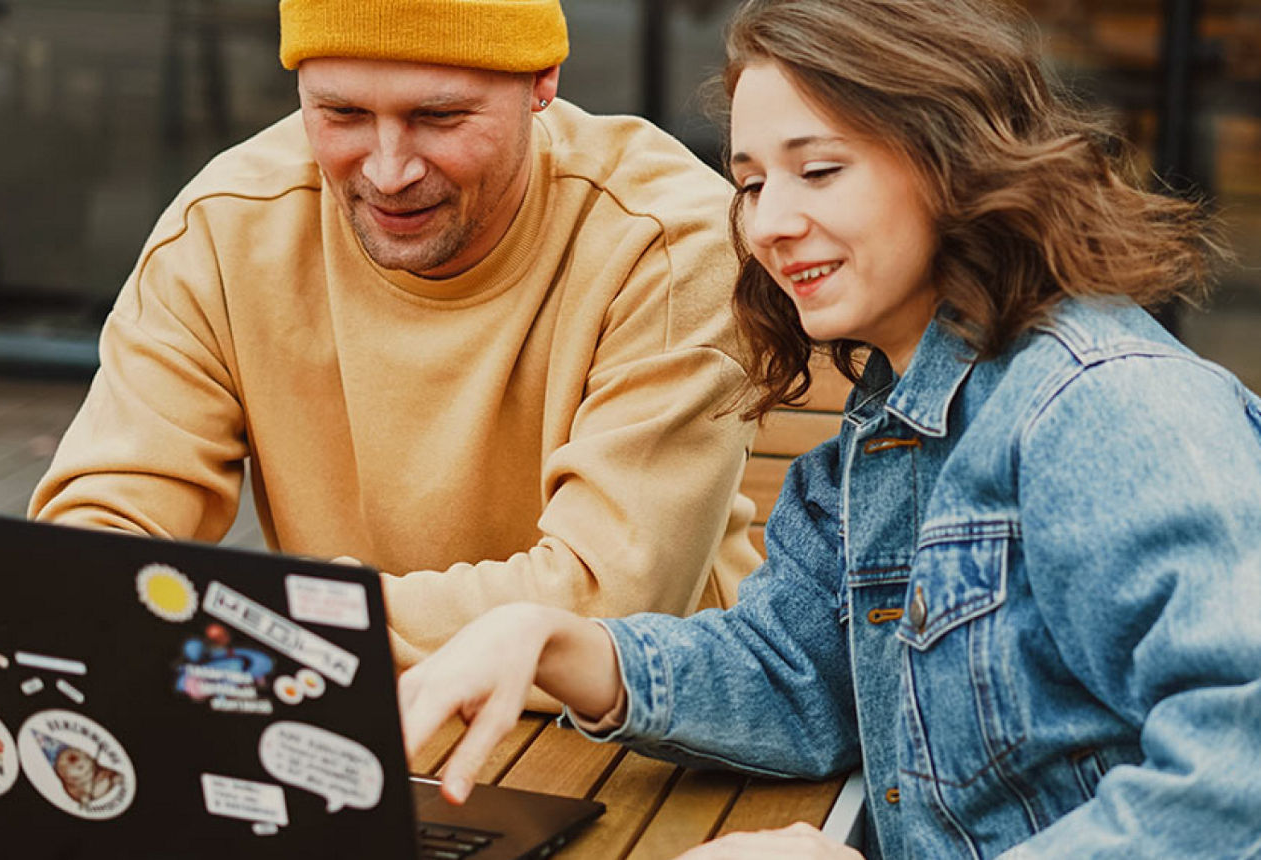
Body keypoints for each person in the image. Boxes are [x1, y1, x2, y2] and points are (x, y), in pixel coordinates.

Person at [398, 0, 1261, 856]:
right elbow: (794, 674)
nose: (769, 224)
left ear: (952, 162)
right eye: (751, 183)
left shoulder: (1108, 409)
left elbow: (1237, 778)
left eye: (818, 172)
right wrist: (554, 642)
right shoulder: (887, 431)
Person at [28, 0, 763, 675]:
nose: (387, 170)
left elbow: (606, 601)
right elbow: (99, 535)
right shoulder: (229, 226)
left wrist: (271, 625)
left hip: (642, 730)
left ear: (542, 81)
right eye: (341, 113)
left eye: (439, 117)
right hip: (337, 703)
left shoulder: (669, 244)